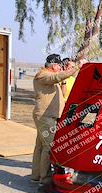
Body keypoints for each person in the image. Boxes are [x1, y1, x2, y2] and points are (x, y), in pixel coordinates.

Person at [31, 54, 82, 184]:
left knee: (40, 147)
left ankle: (36, 175)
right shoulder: (43, 75)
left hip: (46, 116)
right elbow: (56, 77)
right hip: (45, 117)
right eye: (59, 65)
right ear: (54, 66)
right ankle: (45, 178)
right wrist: (76, 67)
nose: (61, 67)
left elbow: (62, 90)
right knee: (48, 147)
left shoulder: (47, 76)